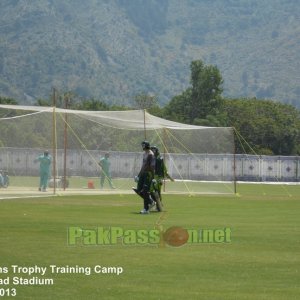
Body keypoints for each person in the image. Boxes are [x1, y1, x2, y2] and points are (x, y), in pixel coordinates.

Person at [133, 141, 156, 214]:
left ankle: (146, 209)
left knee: (145, 191)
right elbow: (143, 166)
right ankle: (150, 201)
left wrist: (153, 177)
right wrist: (138, 175)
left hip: (148, 174)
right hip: (143, 173)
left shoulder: (151, 155)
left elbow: (152, 166)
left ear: (147, 145)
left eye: (143, 145)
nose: (142, 147)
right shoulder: (144, 154)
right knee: (139, 190)